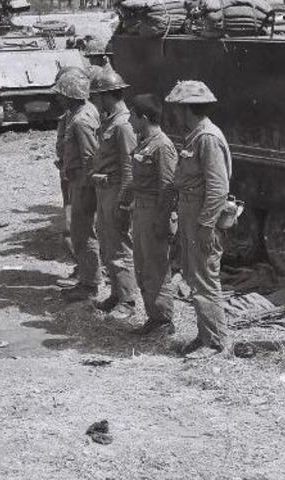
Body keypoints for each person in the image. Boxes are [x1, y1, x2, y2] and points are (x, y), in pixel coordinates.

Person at [165, 80, 232, 358]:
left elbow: (218, 187)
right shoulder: (195, 135)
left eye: (177, 108)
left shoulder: (207, 138)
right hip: (191, 214)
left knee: (205, 279)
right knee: (195, 276)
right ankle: (205, 335)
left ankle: (215, 343)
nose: (175, 114)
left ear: (186, 109)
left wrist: (206, 225)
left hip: (201, 218)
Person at [125, 94, 178, 335]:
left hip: (155, 212)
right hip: (142, 210)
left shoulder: (162, 146)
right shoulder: (145, 142)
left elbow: (167, 187)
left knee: (155, 267)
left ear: (144, 118)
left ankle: (163, 320)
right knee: (142, 265)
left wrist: (161, 221)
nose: (129, 120)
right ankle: (153, 316)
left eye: (132, 116)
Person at [88, 69, 137, 319]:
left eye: (97, 96)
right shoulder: (110, 121)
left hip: (116, 191)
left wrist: (124, 201)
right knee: (108, 245)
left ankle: (127, 300)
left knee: (119, 247)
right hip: (105, 190)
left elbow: (129, 165)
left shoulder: (123, 125)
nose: (94, 101)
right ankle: (116, 294)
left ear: (107, 96)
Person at [53, 68, 101, 302]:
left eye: (61, 94)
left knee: (83, 233)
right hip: (79, 180)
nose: (58, 98)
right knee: (81, 232)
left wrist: (85, 187)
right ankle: (86, 278)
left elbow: (91, 157)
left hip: (83, 184)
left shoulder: (81, 120)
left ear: (70, 95)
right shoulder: (80, 113)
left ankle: (90, 284)